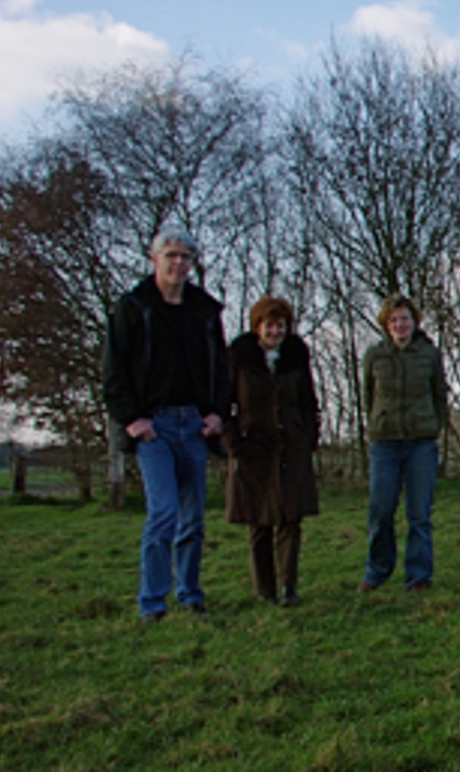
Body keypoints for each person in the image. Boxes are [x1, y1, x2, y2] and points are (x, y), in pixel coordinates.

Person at [102, 227, 230, 621]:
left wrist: (217, 414)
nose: (178, 264)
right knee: (164, 513)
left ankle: (190, 595)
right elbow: (113, 370)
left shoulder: (205, 312)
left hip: (193, 422)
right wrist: (131, 419)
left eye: (186, 257)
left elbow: (220, 369)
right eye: (171, 255)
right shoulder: (133, 308)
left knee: (194, 517)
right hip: (153, 426)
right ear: (153, 259)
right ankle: (152, 603)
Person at [225, 296, 322, 607]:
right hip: (254, 448)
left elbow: (308, 401)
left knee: (291, 520)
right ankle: (264, 591)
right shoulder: (240, 356)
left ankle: (289, 587)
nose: (275, 332)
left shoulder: (296, 355)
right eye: (270, 326)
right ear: (258, 327)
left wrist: (309, 437)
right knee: (260, 521)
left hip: (291, 446)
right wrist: (233, 443)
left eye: (280, 326)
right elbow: (224, 404)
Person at [361, 294, 447, 593]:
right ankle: (376, 572)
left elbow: (440, 395)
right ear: (386, 325)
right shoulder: (375, 356)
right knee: (380, 511)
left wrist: (434, 427)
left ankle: (419, 576)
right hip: (384, 444)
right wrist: (376, 424)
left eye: (405, 319)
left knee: (419, 515)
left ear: (414, 322)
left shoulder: (429, 355)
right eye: (394, 320)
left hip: (421, 444)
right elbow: (367, 395)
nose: (400, 324)